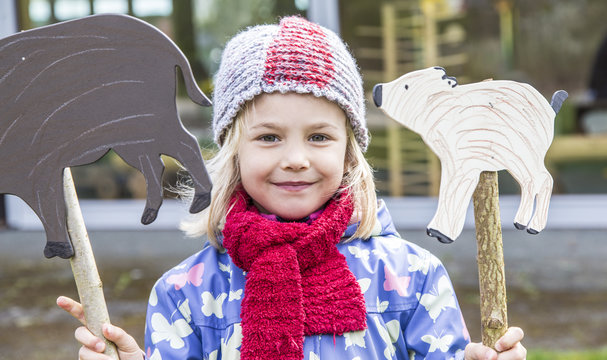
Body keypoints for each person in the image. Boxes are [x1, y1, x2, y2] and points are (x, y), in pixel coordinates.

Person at [57, 16, 527, 360]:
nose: (296, 158)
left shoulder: (410, 277)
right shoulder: (186, 292)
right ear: (233, 151)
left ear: (349, 152)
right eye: (268, 137)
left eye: (319, 136)